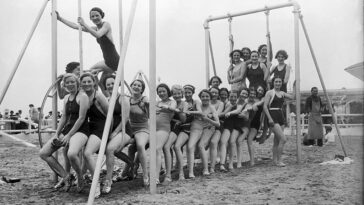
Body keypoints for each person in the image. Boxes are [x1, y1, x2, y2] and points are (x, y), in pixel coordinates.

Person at [39, 73, 89, 192]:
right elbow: (64, 117)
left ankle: (80, 177)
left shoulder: (83, 96)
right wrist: (57, 133)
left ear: (77, 83)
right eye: (67, 83)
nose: (70, 84)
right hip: (67, 130)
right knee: (43, 153)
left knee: (71, 154)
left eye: (72, 82)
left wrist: (69, 135)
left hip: (81, 130)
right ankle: (66, 176)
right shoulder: (66, 98)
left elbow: (81, 118)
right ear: (64, 85)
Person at [56, 7, 119, 92]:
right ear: (90, 18)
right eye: (92, 17)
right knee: (101, 83)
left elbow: (98, 35)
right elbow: (75, 26)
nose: (95, 18)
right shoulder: (94, 28)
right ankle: (108, 101)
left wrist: (84, 23)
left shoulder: (106, 25)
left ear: (102, 15)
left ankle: (94, 93)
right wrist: (60, 19)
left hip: (113, 60)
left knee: (89, 72)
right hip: (107, 60)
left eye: (97, 15)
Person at [79, 73, 108, 197]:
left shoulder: (99, 96)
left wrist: (109, 133)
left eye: (89, 81)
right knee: (77, 151)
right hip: (89, 127)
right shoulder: (82, 96)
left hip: (101, 127)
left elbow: (109, 115)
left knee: (87, 153)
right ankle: (81, 176)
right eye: (84, 82)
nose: (86, 84)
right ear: (80, 84)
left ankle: (95, 184)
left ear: (94, 82)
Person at [103, 75, 133, 194]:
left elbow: (125, 118)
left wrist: (115, 132)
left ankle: (108, 181)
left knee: (110, 149)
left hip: (124, 130)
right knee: (108, 150)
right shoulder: (107, 99)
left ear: (118, 84)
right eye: (108, 84)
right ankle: (131, 163)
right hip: (112, 130)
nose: (110, 86)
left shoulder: (122, 98)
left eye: (113, 83)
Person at [186, 89, 219, 178]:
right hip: (198, 127)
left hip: (209, 128)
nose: (205, 98)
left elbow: (217, 124)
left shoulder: (211, 108)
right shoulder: (198, 105)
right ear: (200, 97)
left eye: (207, 96)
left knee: (201, 145)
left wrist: (207, 119)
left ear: (210, 98)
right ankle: (190, 171)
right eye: (203, 96)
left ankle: (206, 169)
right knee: (190, 146)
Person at [263, 76, 295, 167]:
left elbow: (292, 97)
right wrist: (269, 118)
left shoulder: (282, 93)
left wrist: (293, 86)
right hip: (272, 115)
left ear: (282, 83)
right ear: (273, 83)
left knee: (276, 141)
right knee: (283, 139)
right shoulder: (269, 92)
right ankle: (279, 160)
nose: (278, 83)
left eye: (279, 82)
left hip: (280, 115)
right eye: (276, 82)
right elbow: (265, 106)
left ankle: (274, 160)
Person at [163, 85, 186, 183]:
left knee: (169, 146)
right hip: (170, 126)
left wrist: (179, 114)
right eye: (175, 93)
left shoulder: (184, 104)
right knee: (168, 147)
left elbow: (183, 119)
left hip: (179, 127)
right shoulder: (171, 102)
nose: (177, 95)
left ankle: (181, 173)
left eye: (179, 93)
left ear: (182, 94)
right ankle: (170, 169)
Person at [128, 79, 150, 186]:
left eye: (139, 86)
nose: (136, 87)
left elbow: (151, 115)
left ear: (142, 89)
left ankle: (145, 175)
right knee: (128, 148)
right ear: (131, 86)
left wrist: (148, 104)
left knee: (140, 145)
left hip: (143, 128)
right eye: (134, 85)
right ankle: (132, 166)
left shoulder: (144, 100)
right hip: (130, 128)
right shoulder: (127, 100)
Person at [174, 84, 197, 180]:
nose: (187, 94)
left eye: (189, 93)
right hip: (179, 128)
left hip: (188, 128)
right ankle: (177, 167)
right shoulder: (176, 103)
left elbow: (187, 118)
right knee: (176, 147)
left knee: (181, 147)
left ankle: (184, 172)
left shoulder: (194, 103)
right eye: (186, 92)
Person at [224, 88, 251, 170]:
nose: (244, 95)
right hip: (230, 124)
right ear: (240, 93)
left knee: (233, 142)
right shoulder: (233, 101)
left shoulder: (246, 104)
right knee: (231, 143)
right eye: (243, 93)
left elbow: (246, 117)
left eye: (246, 94)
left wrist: (230, 113)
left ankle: (234, 163)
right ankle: (231, 162)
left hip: (239, 125)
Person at [207, 87, 224, 173]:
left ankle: (212, 167)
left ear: (218, 94)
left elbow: (217, 114)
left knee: (213, 142)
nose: (214, 94)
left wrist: (210, 114)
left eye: (216, 93)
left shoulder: (220, 103)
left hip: (218, 126)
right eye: (212, 93)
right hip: (207, 126)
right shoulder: (206, 102)